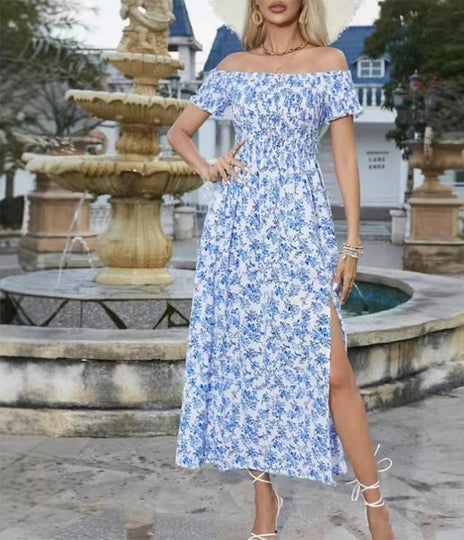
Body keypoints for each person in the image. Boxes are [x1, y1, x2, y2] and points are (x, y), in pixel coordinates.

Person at [167, 1, 395, 538]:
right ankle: (263, 498)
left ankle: (375, 504)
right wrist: (208, 168)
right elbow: (178, 133)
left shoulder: (329, 61)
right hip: (239, 227)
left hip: (300, 223)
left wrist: (352, 242)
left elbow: (344, 157)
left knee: (334, 370)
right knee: (250, 365)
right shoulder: (233, 67)